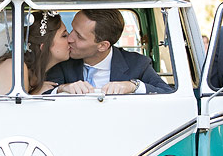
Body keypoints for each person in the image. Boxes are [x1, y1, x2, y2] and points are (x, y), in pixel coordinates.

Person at [45, 9, 173, 94]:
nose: (70, 38)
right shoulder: (63, 61)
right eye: (72, 29)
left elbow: (167, 93)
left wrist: (133, 86)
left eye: (79, 36)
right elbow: (42, 95)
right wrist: (62, 89)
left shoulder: (137, 64)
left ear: (103, 46)